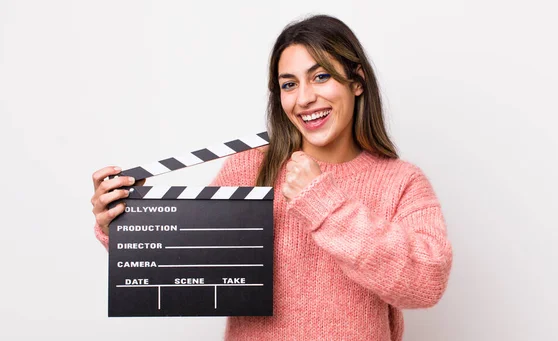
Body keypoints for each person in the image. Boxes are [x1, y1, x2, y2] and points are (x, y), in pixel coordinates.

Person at [90, 14, 453, 341]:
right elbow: (192, 264)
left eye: (321, 76)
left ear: (356, 81)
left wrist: (323, 203)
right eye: (289, 84)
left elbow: (427, 282)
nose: (305, 98)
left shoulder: (401, 181)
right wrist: (127, 222)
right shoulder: (249, 168)